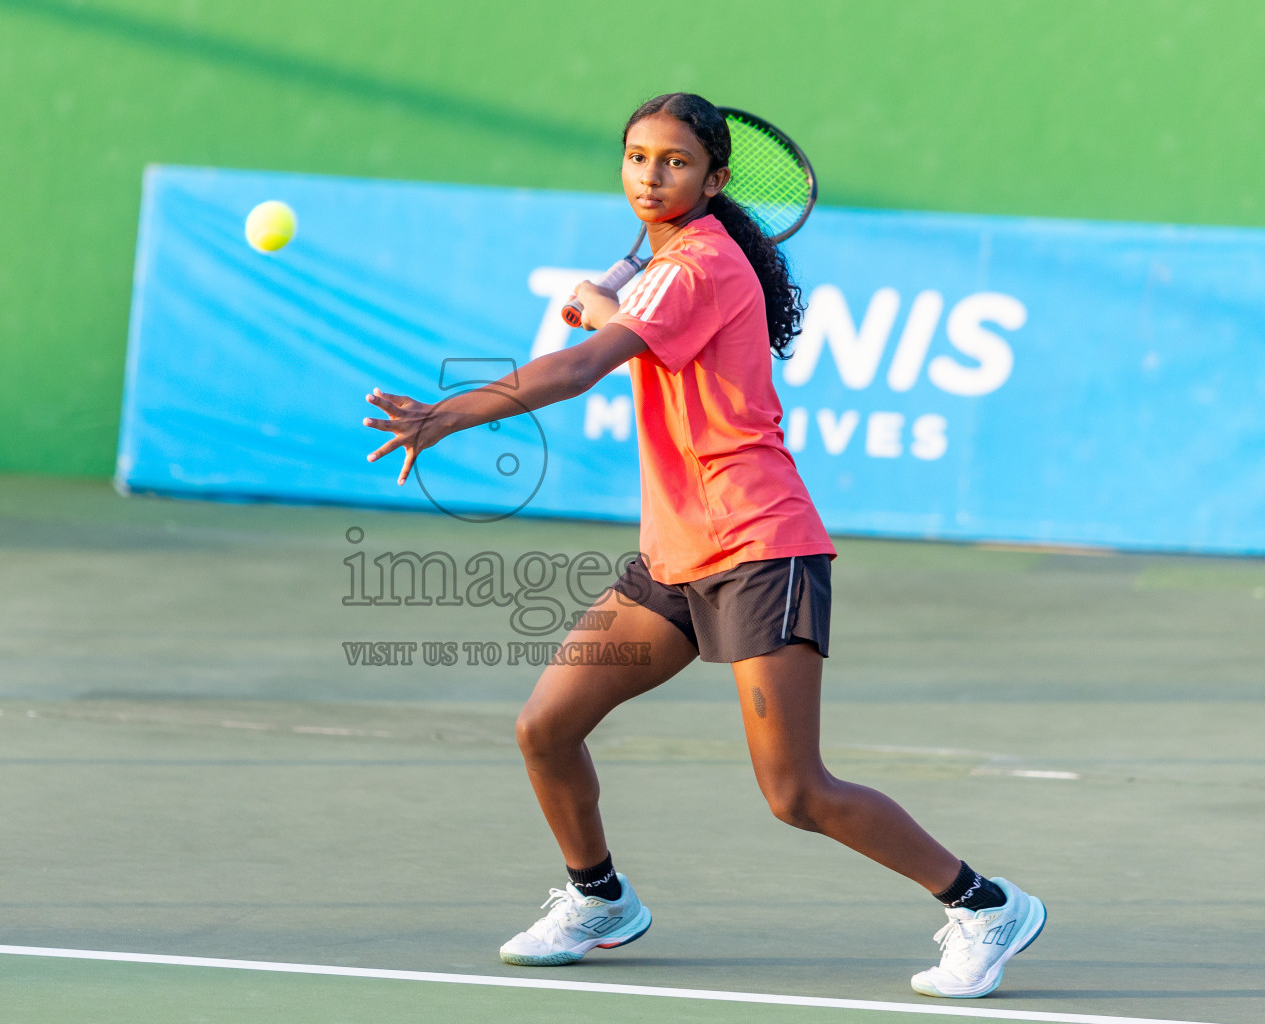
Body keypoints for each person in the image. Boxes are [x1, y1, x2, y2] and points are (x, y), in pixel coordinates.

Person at [362, 92, 1044, 1000]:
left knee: (796, 793)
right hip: (676, 558)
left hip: (760, 548)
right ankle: (600, 898)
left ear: (716, 179)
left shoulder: (698, 265)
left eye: (676, 161)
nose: (653, 174)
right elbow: (633, 330)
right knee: (546, 728)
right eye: (638, 156)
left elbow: (577, 367)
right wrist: (608, 301)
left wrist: (446, 415)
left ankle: (987, 905)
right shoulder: (674, 266)